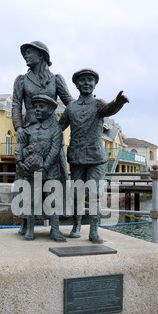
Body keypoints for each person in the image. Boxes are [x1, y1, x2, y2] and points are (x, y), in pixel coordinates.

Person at [59, 68, 129, 244]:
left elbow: (108, 109)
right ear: (75, 85)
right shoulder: (71, 107)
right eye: (82, 80)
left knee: (95, 194)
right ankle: (76, 226)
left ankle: (94, 231)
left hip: (96, 159)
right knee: (76, 195)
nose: (86, 83)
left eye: (90, 80)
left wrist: (117, 103)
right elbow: (58, 127)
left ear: (95, 84)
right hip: (76, 159)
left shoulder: (98, 104)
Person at [12, 41, 73, 235]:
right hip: (29, 132)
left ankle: (55, 226)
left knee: (54, 179)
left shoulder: (56, 79)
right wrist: (19, 127)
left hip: (50, 133)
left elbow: (70, 104)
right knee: (26, 177)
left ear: (42, 55)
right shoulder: (21, 80)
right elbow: (15, 105)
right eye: (25, 54)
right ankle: (25, 221)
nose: (26, 56)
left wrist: (59, 126)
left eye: (30, 53)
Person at [15, 94, 66, 242]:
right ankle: (30, 229)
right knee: (32, 200)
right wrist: (19, 161)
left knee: (53, 200)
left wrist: (45, 166)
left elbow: (55, 150)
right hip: (32, 172)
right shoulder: (28, 129)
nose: (37, 109)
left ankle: (55, 230)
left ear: (50, 110)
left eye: (41, 106)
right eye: (35, 106)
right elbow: (20, 145)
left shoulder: (56, 130)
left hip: (51, 171)